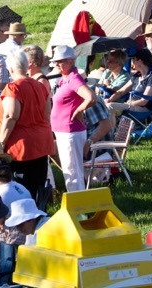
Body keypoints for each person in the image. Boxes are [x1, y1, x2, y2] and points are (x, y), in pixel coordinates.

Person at [0, 50, 54, 203]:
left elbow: (11, 115)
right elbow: (47, 114)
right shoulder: (40, 86)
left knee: (21, 191)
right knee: (37, 188)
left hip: (21, 146)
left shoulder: (13, 87)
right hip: (41, 142)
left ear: (11, 68)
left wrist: (0, 143)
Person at [49, 45, 95, 193]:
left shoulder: (73, 78)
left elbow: (91, 97)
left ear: (70, 61)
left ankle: (79, 207)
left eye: (60, 61)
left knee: (73, 171)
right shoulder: (66, 79)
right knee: (71, 170)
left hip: (70, 132)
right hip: (65, 131)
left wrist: (79, 110)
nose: (56, 64)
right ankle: (78, 205)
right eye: (56, 61)